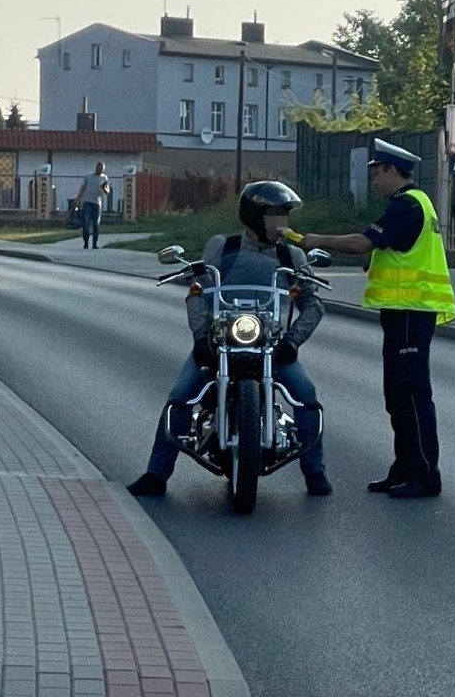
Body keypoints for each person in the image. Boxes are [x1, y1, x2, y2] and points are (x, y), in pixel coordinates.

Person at [127, 181, 333, 499]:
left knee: (305, 394)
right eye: (276, 215)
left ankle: (315, 471)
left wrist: (293, 339)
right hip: (220, 340)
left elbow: (313, 303)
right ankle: (156, 474)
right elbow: (197, 291)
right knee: (181, 394)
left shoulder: (290, 254)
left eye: (285, 216)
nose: (283, 223)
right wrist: (200, 337)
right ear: (254, 215)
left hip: (271, 344)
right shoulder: (222, 247)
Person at [291, 139, 455, 500]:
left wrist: (317, 239)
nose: (374, 180)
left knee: (411, 395)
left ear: (392, 171)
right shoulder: (410, 204)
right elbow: (390, 252)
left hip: (412, 311)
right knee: (397, 395)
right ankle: (404, 467)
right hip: (402, 311)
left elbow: (363, 243)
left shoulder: (407, 206)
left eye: (377, 172)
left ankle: (425, 475)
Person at [76, 162, 111, 249]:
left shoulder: (104, 178)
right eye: (99, 168)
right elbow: (83, 188)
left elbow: (107, 192)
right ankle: (86, 242)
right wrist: (77, 199)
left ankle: (95, 244)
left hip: (97, 204)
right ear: (96, 167)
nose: (101, 170)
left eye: (102, 169)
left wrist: (104, 188)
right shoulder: (88, 177)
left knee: (96, 224)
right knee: (85, 223)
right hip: (87, 202)